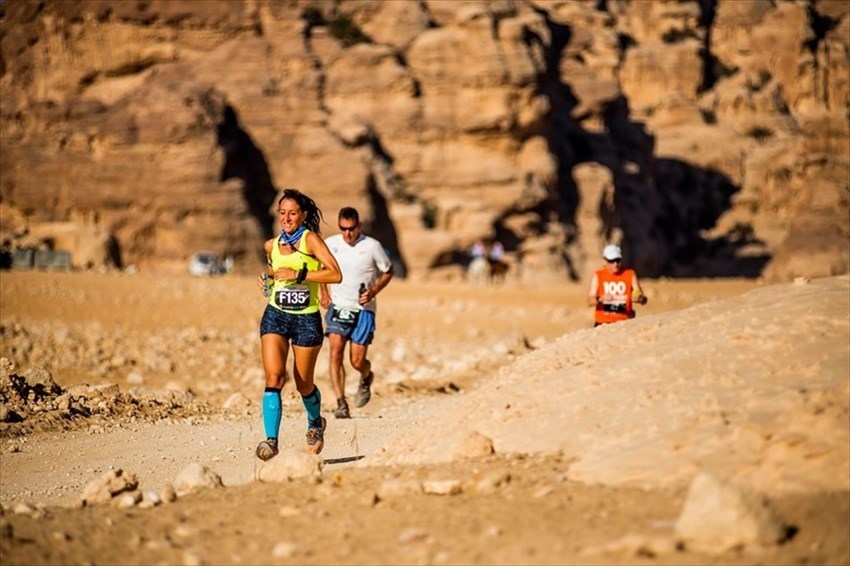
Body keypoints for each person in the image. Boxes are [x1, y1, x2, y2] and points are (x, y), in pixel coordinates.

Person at [255, 188, 342, 461]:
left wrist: (300, 273)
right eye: (282, 213)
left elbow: (335, 273)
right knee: (275, 378)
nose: (287, 218)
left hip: (307, 318)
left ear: (303, 215)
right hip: (276, 315)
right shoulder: (271, 245)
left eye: (292, 213)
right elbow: (274, 269)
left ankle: (315, 422)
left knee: (303, 384)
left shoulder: (311, 240)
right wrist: (266, 278)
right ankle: (271, 441)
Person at [320, 207, 394, 419]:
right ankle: (341, 403)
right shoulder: (331, 244)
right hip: (339, 306)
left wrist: (374, 291)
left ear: (359, 226)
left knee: (356, 361)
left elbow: (388, 271)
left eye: (351, 229)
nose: (347, 234)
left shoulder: (372, 246)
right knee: (335, 353)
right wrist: (324, 294)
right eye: (343, 229)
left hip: (363, 310)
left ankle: (366, 376)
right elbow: (321, 270)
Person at [587, 244, 647, 327]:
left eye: (618, 260)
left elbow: (643, 298)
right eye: (611, 261)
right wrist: (600, 298)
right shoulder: (598, 275)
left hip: (625, 322)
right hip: (602, 323)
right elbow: (590, 301)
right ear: (604, 261)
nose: (615, 264)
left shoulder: (630, 274)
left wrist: (639, 298)